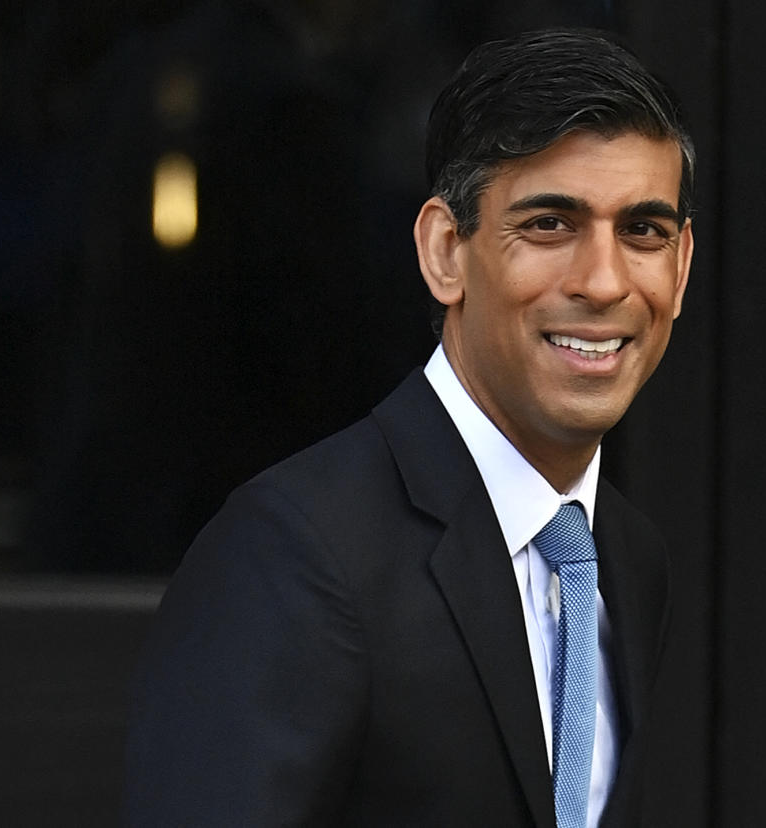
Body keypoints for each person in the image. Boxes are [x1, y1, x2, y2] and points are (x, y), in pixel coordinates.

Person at [124, 27, 694, 827]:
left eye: (643, 231)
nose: (604, 281)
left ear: (681, 265)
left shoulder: (627, 561)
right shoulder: (293, 553)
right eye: (548, 225)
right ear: (444, 252)